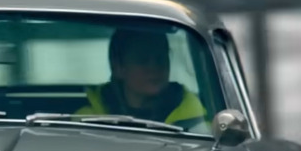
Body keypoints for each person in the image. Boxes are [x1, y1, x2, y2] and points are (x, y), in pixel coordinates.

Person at [75, 28, 207, 129]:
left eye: (160, 59)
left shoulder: (199, 122)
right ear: (118, 68)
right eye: (142, 59)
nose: (154, 67)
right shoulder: (85, 121)